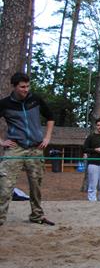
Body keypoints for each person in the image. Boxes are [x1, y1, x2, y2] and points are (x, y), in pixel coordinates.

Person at [0, 72, 55, 226]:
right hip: (15, 148)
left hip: (35, 148)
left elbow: (50, 117)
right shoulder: (4, 104)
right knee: (5, 184)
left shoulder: (35, 99)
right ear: (14, 87)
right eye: (22, 87)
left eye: (27, 86)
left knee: (36, 184)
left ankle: (37, 216)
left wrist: (47, 137)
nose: (26, 89)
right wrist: (1, 142)